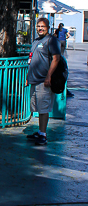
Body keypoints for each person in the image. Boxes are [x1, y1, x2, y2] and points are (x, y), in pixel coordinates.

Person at [26, 17, 60, 146]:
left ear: (48, 28)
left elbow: (56, 58)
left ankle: (43, 135)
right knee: (37, 107)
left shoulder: (51, 40)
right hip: (34, 80)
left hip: (43, 81)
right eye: (38, 26)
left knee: (43, 108)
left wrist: (48, 76)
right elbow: (31, 59)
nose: (40, 28)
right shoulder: (36, 41)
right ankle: (40, 131)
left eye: (43, 27)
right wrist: (27, 77)